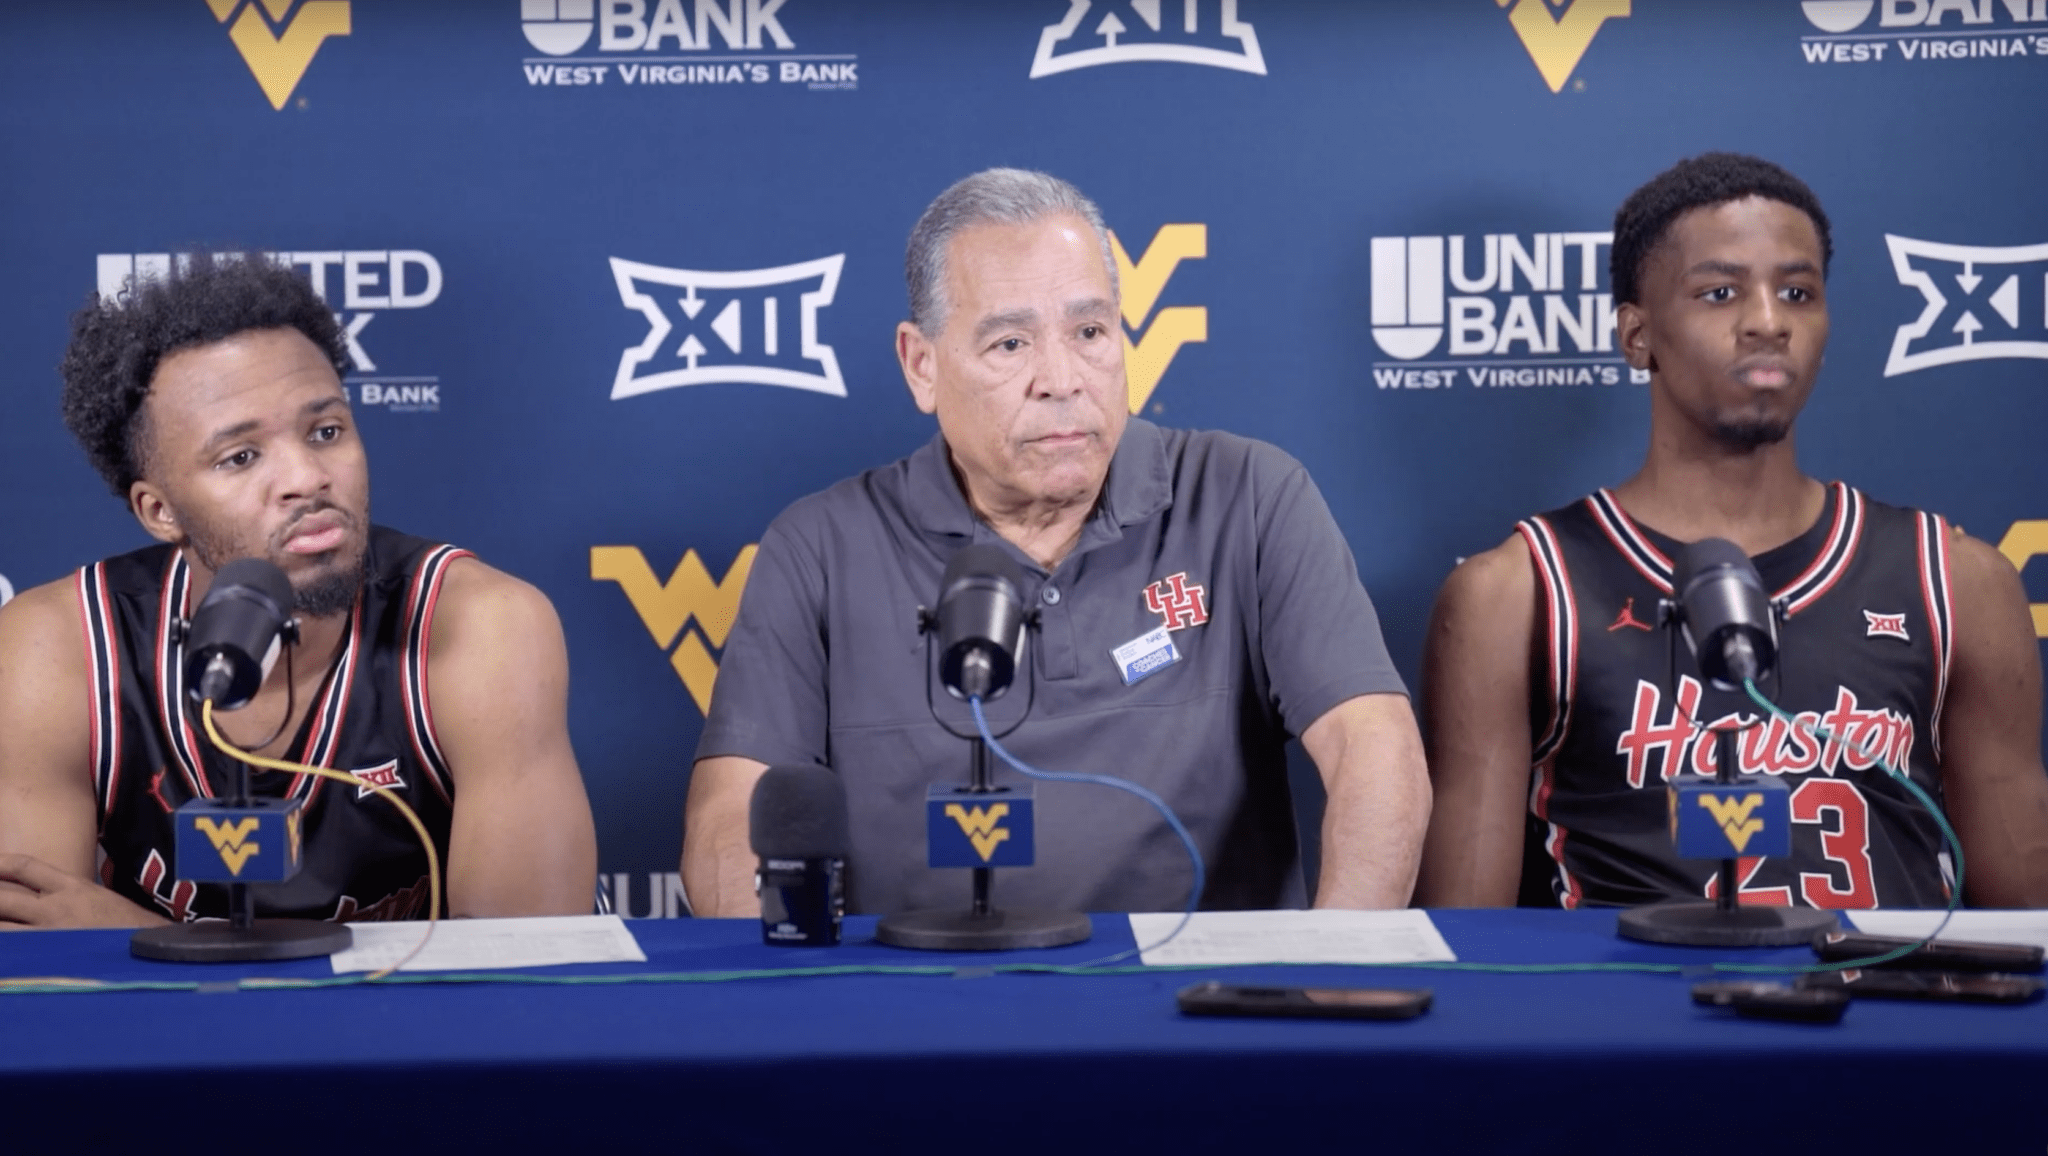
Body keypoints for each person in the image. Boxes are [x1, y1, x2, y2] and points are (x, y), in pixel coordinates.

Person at [684, 168, 1429, 917]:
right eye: (1010, 343)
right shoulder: (819, 547)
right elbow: (730, 820)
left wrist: (1338, 968)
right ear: (922, 365)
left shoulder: (1250, 497)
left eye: (1090, 332)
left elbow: (1376, 750)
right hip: (917, 1006)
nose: (1062, 379)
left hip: (1195, 1009)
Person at [1416, 152, 2048, 910]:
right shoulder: (1515, 593)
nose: (1768, 321)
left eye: (1797, 292)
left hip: (1890, 1018)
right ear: (1637, 335)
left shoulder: (1955, 580)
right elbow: (1464, 947)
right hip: (1632, 1020)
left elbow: (2027, 929)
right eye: (1720, 293)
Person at [0, 254, 599, 927]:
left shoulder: (483, 626)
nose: (307, 477)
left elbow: (524, 976)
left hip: (411, 1038)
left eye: (326, 432)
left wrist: (147, 936)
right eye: (240, 457)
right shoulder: (60, 646)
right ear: (158, 510)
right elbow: (33, 972)